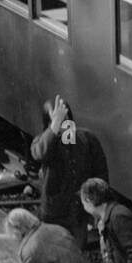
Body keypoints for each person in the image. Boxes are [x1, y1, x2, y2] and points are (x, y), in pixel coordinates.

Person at [30, 96, 109, 251]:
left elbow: (101, 173)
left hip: (78, 212)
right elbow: (39, 153)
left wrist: (99, 207)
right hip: (54, 214)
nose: (66, 128)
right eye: (61, 123)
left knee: (76, 253)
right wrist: (54, 128)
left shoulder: (87, 140)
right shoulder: (45, 142)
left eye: (67, 121)